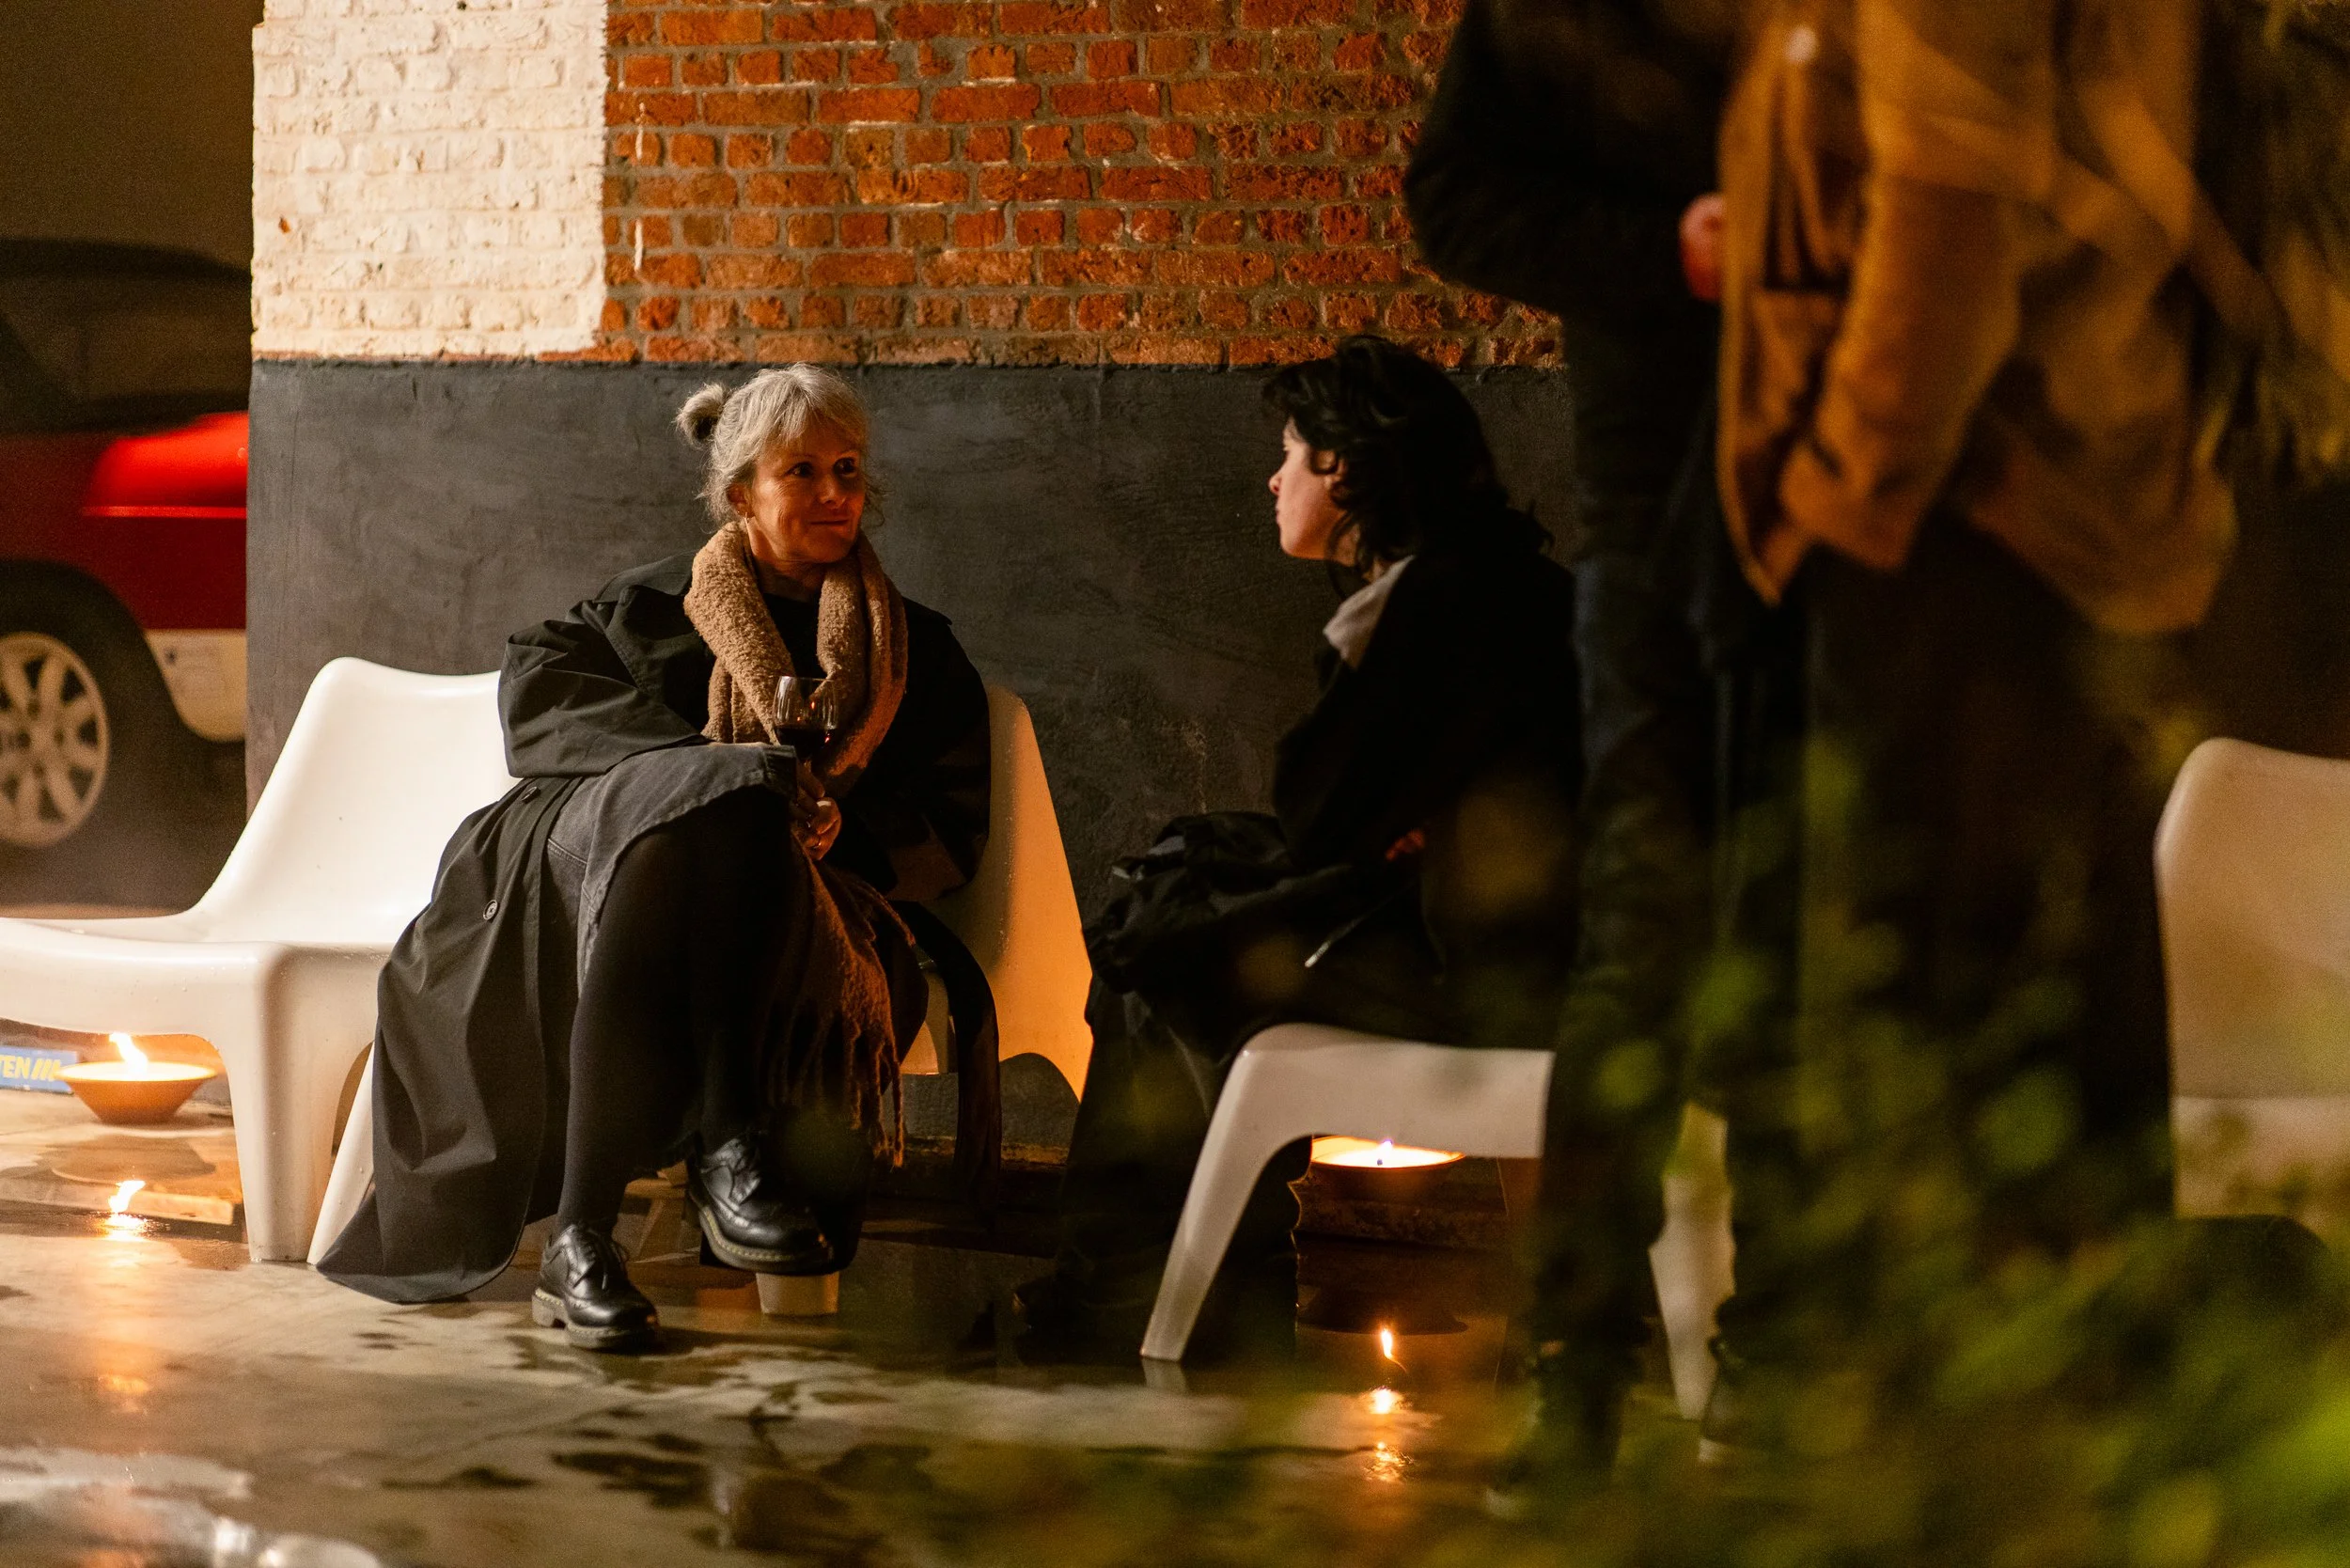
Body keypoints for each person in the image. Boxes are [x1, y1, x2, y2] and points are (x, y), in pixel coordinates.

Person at [1708, 0, 2234, 1422]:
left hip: (1974, 515)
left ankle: (1964, 1444)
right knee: (2059, 1020)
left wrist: (1841, 494)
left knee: (1945, 1032)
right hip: (2095, 499)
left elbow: (1946, 203)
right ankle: (2072, 1431)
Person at [319, 367, 991, 1351]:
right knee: (715, 800)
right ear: (740, 495)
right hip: (586, 867)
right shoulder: (647, 607)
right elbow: (539, 699)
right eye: (801, 472)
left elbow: (946, 825)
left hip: (790, 897)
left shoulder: (912, 652)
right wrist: (707, 773)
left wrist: (836, 832)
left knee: (722, 823)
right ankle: (728, 1148)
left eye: (847, 469)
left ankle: (583, 1239)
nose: (834, 493)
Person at [1408, 0, 1807, 1505]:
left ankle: (1782, 1353)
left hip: (1858, 502)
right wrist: (1670, 253)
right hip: (1657, 507)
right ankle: (1577, 1363)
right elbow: (1453, 197)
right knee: (1643, 932)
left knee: (1800, 926)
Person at [1020, 336, 1587, 1371]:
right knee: (1175, 904)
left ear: (1347, 465)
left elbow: (1318, 812)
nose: (1273, 480)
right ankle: (1175, 1283)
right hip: (1526, 956)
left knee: (1158, 954)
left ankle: (1133, 1292)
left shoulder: (1424, 600)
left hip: (1481, 974)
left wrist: (1357, 671)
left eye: (1290, 452)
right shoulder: (1514, 582)